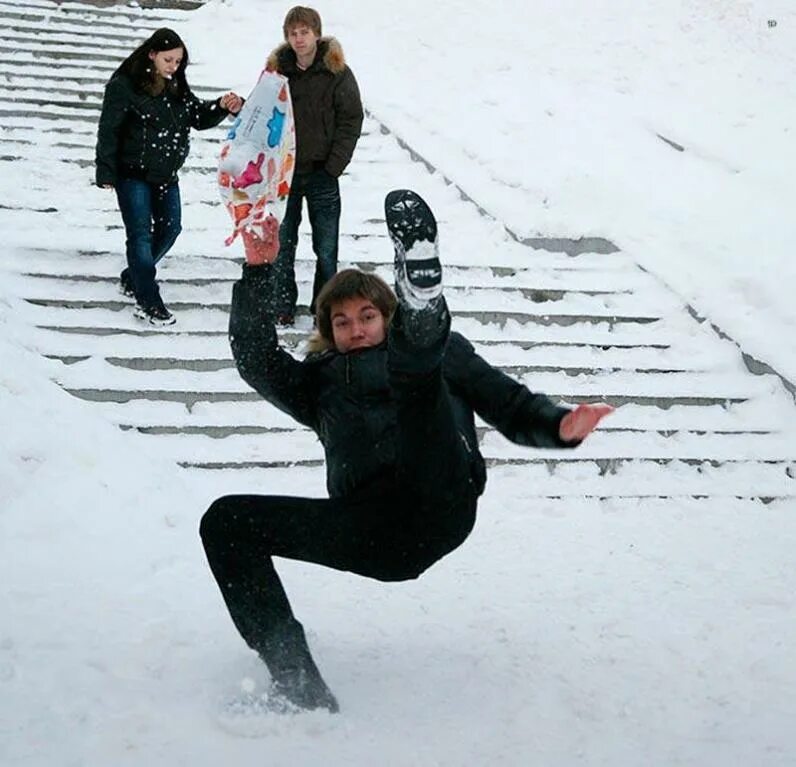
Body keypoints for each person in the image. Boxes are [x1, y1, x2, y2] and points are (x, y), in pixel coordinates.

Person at [200, 189, 614, 714]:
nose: (356, 329)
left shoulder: (444, 355)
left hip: (439, 500)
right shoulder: (318, 385)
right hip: (371, 532)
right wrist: (259, 268)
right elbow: (256, 358)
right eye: (342, 322)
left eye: (367, 316)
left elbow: (509, 404)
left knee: (420, 377)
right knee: (227, 522)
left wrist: (560, 427)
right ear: (330, 332)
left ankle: (424, 305)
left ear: (386, 315)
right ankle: (296, 681)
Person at [95, 28, 243, 326]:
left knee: (171, 228)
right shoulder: (124, 86)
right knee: (139, 235)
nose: (173, 67)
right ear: (151, 54)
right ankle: (149, 299)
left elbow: (197, 117)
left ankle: (134, 275)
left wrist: (221, 106)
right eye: (168, 60)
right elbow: (109, 130)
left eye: (178, 61)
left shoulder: (176, 88)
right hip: (132, 174)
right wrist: (106, 171)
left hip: (165, 175)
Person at [265, 6, 364, 326]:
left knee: (326, 247)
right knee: (282, 243)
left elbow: (351, 119)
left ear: (316, 34)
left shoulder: (337, 72)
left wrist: (334, 166)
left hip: (323, 172)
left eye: (304, 32)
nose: (299, 38)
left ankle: (324, 307)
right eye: (293, 33)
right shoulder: (277, 72)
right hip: (286, 173)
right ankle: (282, 303)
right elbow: (263, 113)